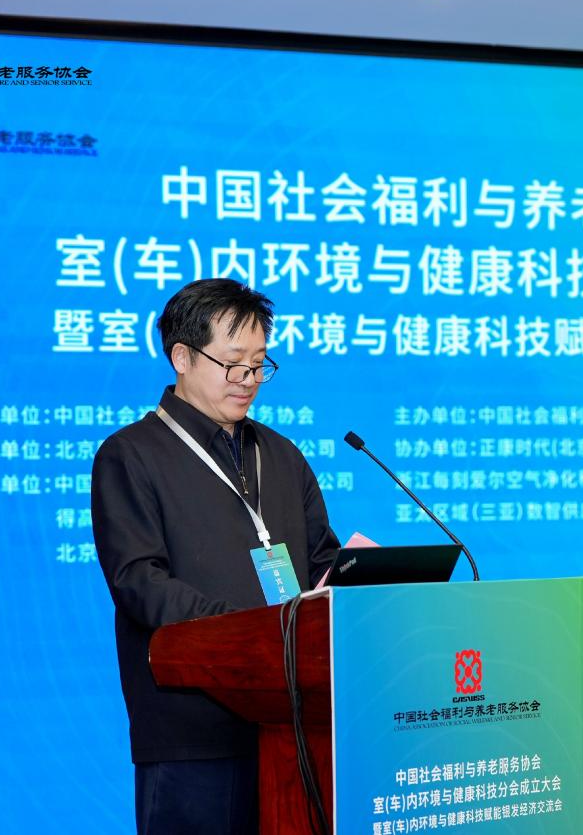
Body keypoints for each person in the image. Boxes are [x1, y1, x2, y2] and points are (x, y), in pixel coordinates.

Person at [91, 279, 339, 834]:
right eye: (232, 363)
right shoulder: (131, 455)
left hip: (292, 727)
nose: (248, 379)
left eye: (258, 364)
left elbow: (322, 562)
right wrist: (247, 631)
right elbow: (139, 582)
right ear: (181, 357)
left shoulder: (281, 455)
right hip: (193, 733)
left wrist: (360, 585)